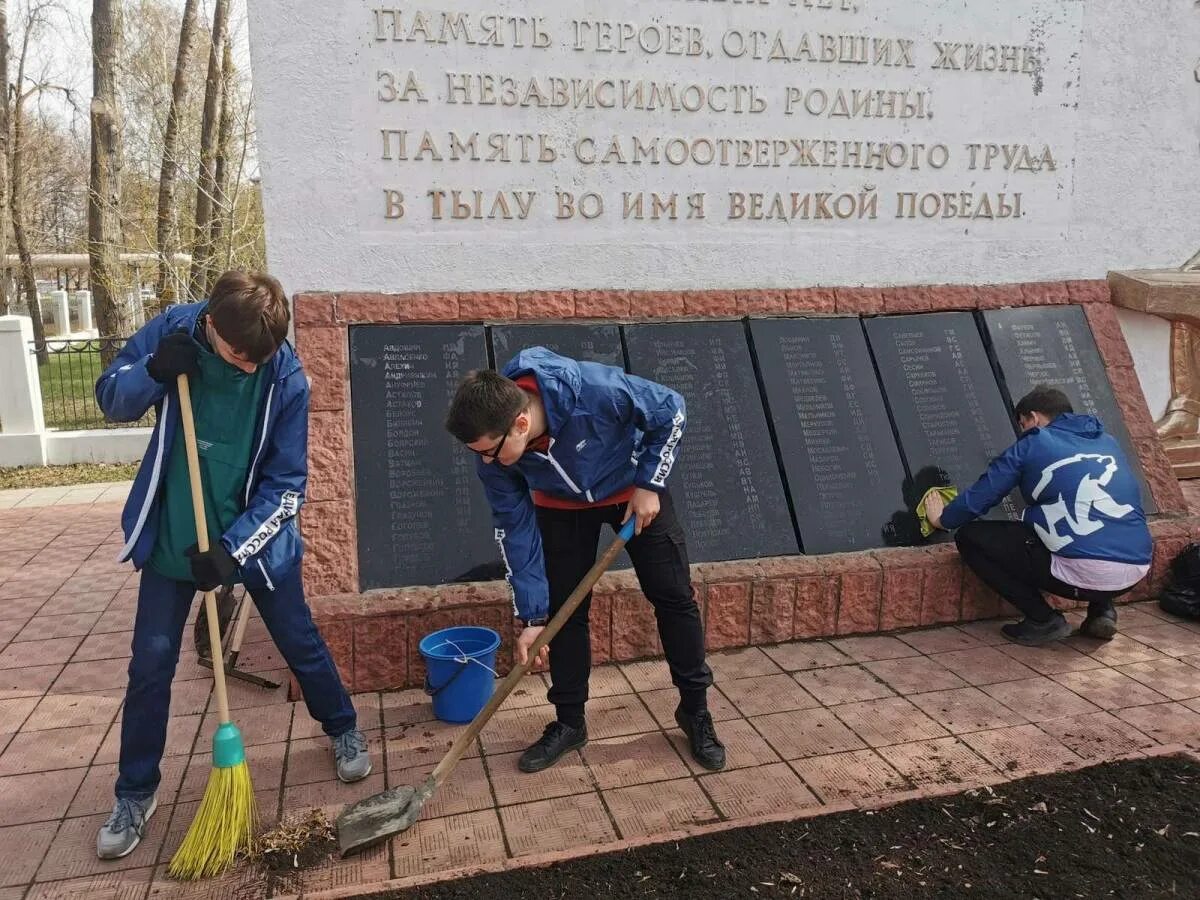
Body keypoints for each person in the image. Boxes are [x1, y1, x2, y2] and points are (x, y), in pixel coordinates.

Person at [93, 272, 371, 860]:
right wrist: (151, 373)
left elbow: (289, 488)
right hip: (175, 535)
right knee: (150, 664)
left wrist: (232, 550)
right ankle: (134, 792)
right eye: (237, 355)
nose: (248, 367)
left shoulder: (286, 377)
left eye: (259, 358)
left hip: (251, 539)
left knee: (299, 639)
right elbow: (109, 395)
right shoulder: (174, 330)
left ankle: (343, 727)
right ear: (212, 325)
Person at [444, 348, 725, 773]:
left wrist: (650, 483)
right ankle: (569, 722)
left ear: (520, 423)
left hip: (632, 493)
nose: (486, 461)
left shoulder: (595, 390)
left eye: (491, 450)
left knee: (673, 597)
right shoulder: (495, 460)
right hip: (560, 507)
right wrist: (533, 616)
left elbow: (671, 409)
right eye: (477, 453)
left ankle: (695, 710)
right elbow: (516, 531)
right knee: (565, 611)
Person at [924, 385, 1151, 646]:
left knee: (971, 537)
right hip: (1135, 570)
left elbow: (984, 494)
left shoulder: (1035, 442)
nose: (1022, 432)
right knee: (1097, 525)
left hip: (1078, 573)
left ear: (1034, 418)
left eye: (1022, 424)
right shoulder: (1107, 441)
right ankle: (1103, 610)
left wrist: (943, 519)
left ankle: (1042, 619)